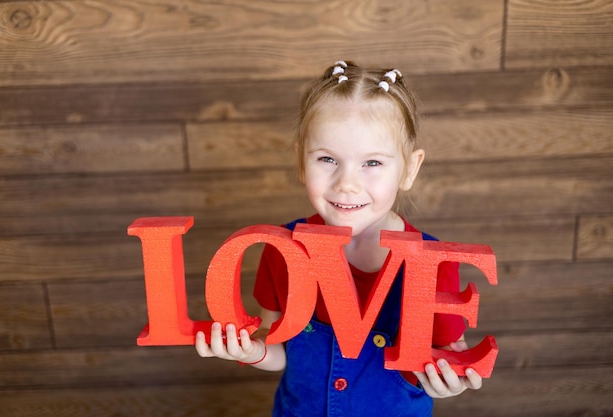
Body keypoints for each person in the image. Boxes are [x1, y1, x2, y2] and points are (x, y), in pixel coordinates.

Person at [195, 60, 482, 416]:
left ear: (409, 168)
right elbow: (279, 349)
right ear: (302, 161)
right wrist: (252, 353)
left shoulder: (433, 265)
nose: (347, 183)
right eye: (327, 159)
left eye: (373, 163)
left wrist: (448, 379)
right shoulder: (283, 250)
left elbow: (443, 358)